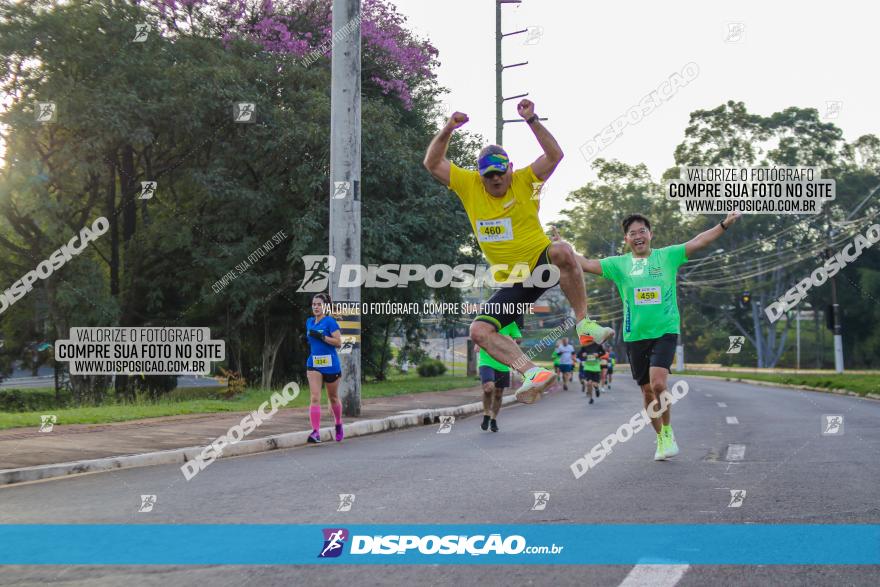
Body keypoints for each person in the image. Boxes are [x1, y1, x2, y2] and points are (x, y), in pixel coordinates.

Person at [423, 100, 613, 405]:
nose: (495, 180)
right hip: (515, 282)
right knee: (479, 331)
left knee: (562, 250)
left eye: (500, 173)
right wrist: (448, 128)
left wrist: (532, 120)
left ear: (510, 169)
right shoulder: (469, 185)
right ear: (479, 174)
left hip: (542, 263)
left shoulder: (526, 180)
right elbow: (432, 164)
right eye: (489, 175)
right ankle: (532, 373)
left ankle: (583, 322)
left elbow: (555, 156)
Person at [573, 212, 741, 460]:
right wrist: (560, 249)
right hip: (635, 335)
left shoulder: (667, 256)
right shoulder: (619, 264)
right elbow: (585, 263)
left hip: (665, 330)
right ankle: (660, 437)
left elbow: (699, 241)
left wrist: (724, 224)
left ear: (650, 234)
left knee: (659, 384)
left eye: (642, 231)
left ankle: (669, 430)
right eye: (633, 233)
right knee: (647, 392)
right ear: (626, 239)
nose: (638, 236)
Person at [305, 292, 344, 444]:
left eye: (319, 304)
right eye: (313, 304)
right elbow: (311, 340)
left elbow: (338, 342)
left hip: (331, 365)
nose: (315, 307)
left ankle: (338, 424)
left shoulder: (330, 322)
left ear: (325, 306)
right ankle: (316, 432)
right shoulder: (309, 321)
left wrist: (323, 337)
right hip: (314, 363)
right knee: (314, 397)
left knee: (333, 398)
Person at [477, 320, 523, 432]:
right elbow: (477, 332)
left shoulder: (511, 323)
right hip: (486, 361)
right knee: (488, 387)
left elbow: (519, 339)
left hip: (503, 363)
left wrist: (512, 340)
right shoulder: (487, 320)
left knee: (498, 393)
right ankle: (486, 414)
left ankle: (493, 419)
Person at [577, 336, 604, 404]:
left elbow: (603, 352)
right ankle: (591, 398)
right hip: (587, 367)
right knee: (589, 383)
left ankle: (597, 388)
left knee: (595, 383)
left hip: (596, 367)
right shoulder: (584, 346)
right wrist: (583, 355)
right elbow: (579, 355)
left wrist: (598, 354)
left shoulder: (598, 345)